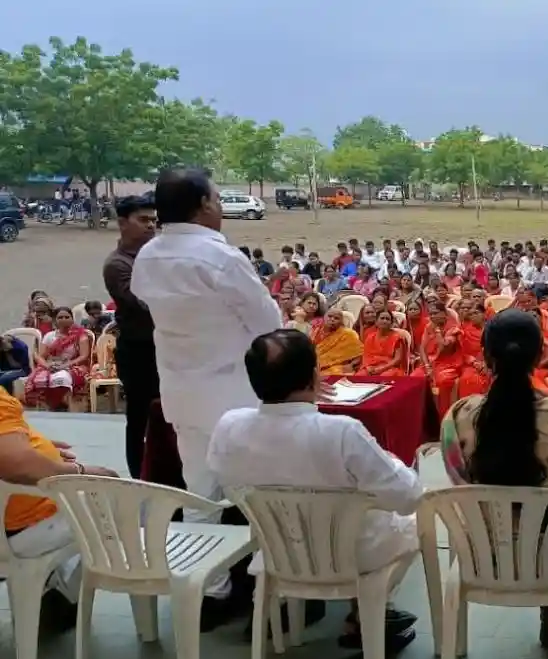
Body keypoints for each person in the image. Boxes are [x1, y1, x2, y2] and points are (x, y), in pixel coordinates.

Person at [206, 329, 422, 650]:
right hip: (350, 555)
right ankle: (368, 613)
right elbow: (408, 497)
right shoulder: (341, 432)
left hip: (279, 552)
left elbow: (224, 478)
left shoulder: (230, 425)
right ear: (313, 377)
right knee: (414, 520)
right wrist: (393, 463)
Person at [131, 168, 281, 624]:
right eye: (216, 198)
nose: (220, 206)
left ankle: (209, 593)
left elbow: (142, 300)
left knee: (201, 494)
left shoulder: (149, 255)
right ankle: (267, 594)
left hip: (181, 390)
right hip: (235, 394)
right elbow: (267, 321)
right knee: (263, 496)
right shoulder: (221, 258)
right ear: (202, 205)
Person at [438, 309, 548, 647]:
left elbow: (458, 480)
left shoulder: (459, 415)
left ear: (486, 355)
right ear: (543, 353)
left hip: (485, 552)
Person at [0, 384, 119, 627]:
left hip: (19, 517)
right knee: (120, 499)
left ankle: (50, 583)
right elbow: (15, 462)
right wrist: (77, 471)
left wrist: (37, 448)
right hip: (21, 528)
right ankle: (65, 594)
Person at [102, 193, 159, 476]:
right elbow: (144, 305)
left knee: (164, 417)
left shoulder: (156, 255)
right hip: (138, 352)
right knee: (139, 418)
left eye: (153, 220)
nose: (150, 226)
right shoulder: (118, 264)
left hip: (162, 348)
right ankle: (139, 476)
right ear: (123, 223)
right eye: (143, 219)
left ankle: (163, 471)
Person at [25, 307, 92, 411]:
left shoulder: (80, 335)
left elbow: (84, 356)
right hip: (51, 366)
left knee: (61, 378)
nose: (64, 319)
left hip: (73, 366)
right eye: (60, 317)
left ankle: (61, 404)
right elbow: (40, 356)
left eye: (67, 317)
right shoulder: (49, 336)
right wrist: (47, 366)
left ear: (72, 319)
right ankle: (51, 406)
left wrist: (65, 366)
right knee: (40, 379)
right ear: (55, 320)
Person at [416, 302, 462, 416]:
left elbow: (445, 346)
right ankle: (422, 418)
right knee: (415, 378)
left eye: (435, 313)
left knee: (443, 381)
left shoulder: (454, 329)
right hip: (430, 363)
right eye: (431, 314)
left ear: (445, 314)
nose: (432, 317)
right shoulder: (429, 326)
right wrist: (427, 367)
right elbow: (422, 348)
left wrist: (437, 332)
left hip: (448, 364)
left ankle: (443, 417)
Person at [356, 309, 410, 377]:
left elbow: (397, 359)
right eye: (382, 318)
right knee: (359, 376)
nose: (384, 321)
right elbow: (366, 356)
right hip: (372, 366)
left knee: (385, 376)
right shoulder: (370, 337)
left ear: (391, 323)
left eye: (387, 319)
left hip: (390, 367)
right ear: (376, 321)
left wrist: (382, 368)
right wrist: (367, 367)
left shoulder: (397, 337)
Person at [312, 308, 362, 376]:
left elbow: (359, 354)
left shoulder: (349, 334)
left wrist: (351, 365)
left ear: (341, 321)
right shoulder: (316, 331)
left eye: (336, 318)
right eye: (330, 316)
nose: (332, 319)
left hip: (337, 366)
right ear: (324, 317)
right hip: (315, 365)